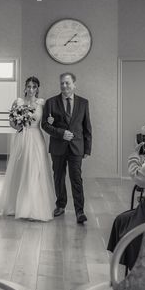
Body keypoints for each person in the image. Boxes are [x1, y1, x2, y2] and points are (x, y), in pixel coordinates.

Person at [0, 76, 56, 221]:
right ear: (25, 87)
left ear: (37, 88)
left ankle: (33, 208)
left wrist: (50, 121)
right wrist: (18, 122)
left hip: (36, 139)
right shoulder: (18, 102)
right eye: (28, 86)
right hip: (21, 138)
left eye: (34, 87)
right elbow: (11, 122)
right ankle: (16, 206)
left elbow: (47, 121)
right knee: (20, 169)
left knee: (34, 170)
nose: (31, 89)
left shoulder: (42, 103)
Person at [42, 72, 92, 224]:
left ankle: (79, 211)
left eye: (67, 83)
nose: (64, 86)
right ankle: (60, 205)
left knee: (76, 178)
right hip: (58, 147)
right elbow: (45, 125)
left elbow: (87, 126)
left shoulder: (83, 103)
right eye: (62, 83)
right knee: (58, 177)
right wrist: (61, 133)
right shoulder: (51, 102)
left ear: (74, 84)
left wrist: (87, 149)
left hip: (77, 147)